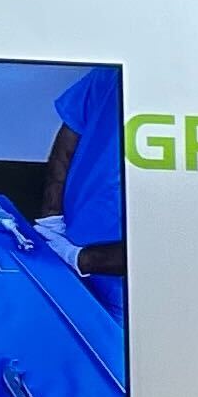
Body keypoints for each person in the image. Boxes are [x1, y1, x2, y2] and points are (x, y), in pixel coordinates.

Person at [35, 65, 129, 318]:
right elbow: (68, 142)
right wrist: (51, 221)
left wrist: (80, 258)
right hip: (69, 249)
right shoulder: (108, 75)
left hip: (129, 290)